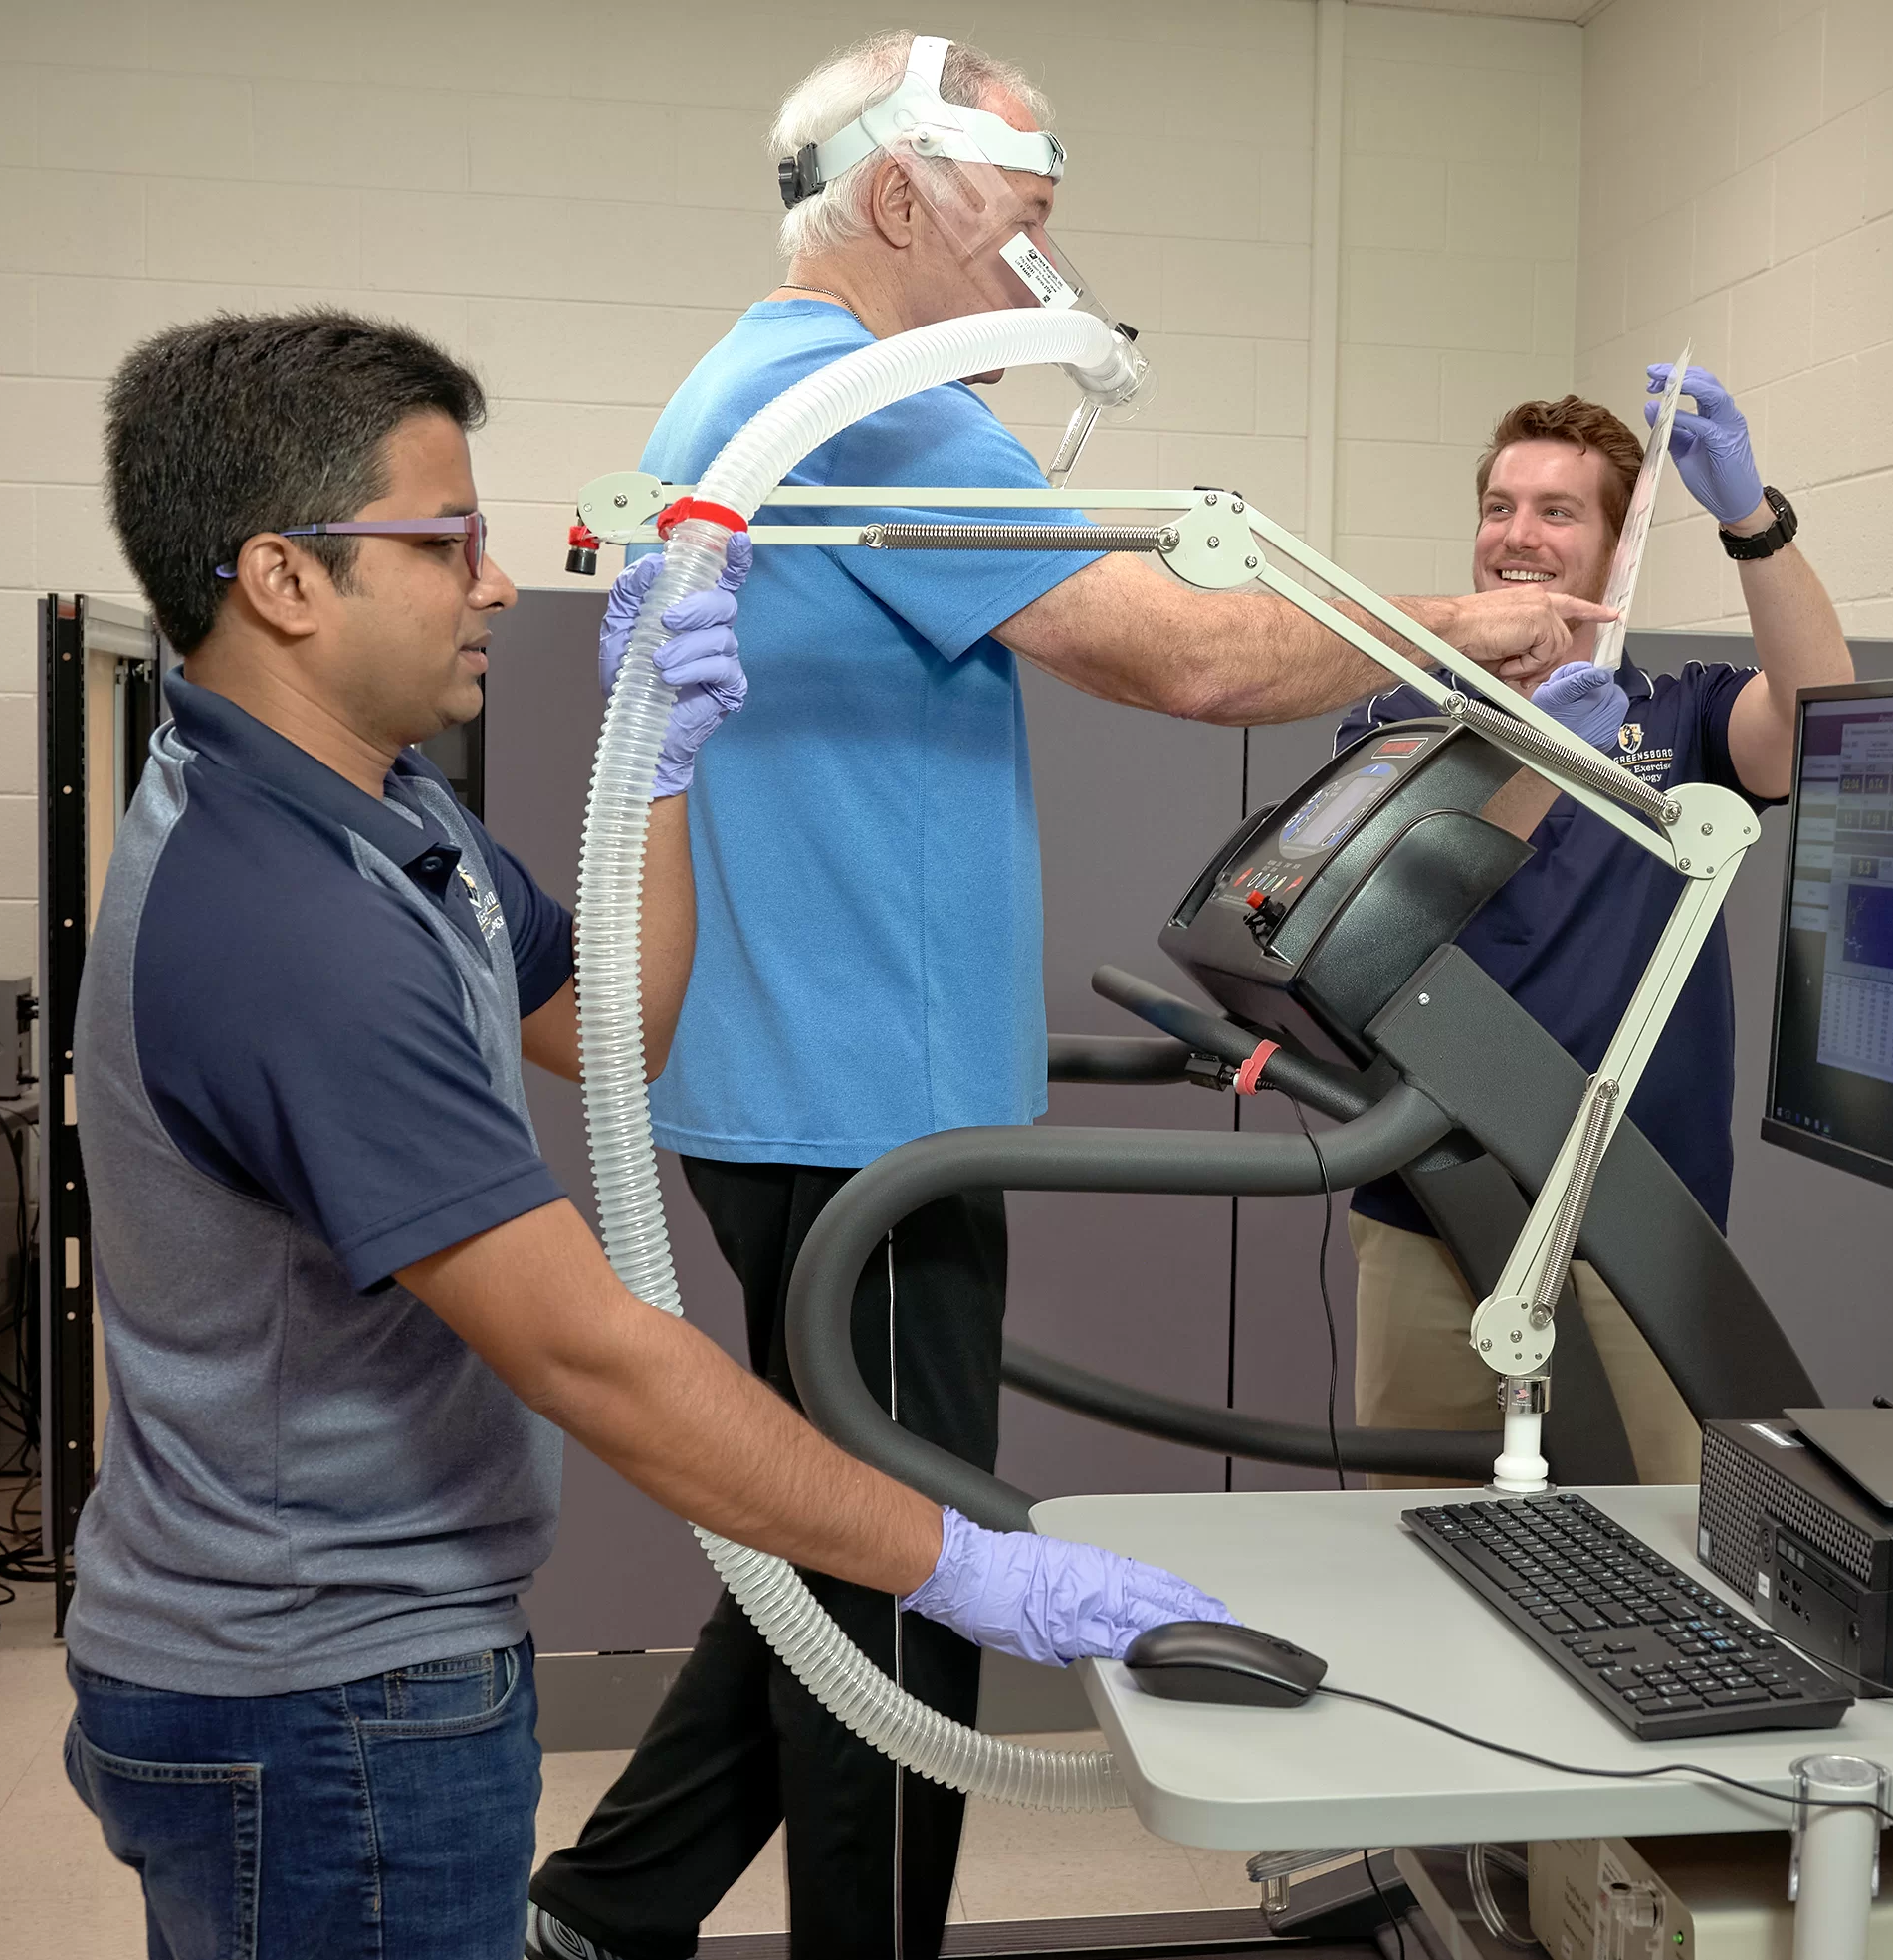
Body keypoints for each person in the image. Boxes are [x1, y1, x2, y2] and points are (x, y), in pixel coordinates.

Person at [526, 31, 1612, 1960]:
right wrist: (1467, 631)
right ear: (895, 201)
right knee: (897, 1586)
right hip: (859, 1104)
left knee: (829, 1530)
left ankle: (605, 1913)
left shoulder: (753, 379)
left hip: (804, 1084)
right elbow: (1180, 655)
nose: (1040, 275)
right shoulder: (854, 400)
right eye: (1021, 224)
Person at [63, 311, 1232, 1960]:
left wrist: (662, 763)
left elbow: (611, 1020)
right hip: (317, 1690)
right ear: (285, 577)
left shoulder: (387, 805)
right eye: (446, 537)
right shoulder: (287, 927)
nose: (491, 579)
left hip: (372, 1641)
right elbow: (596, 1353)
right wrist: (964, 1565)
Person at [1338, 381, 1855, 1489]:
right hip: (1431, 1200)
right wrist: (1533, 753)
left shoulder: (1677, 718)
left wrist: (1751, 521)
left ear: (1620, 552)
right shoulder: (1397, 717)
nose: (1517, 535)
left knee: (1649, 1544)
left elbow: (1824, 722)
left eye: (1558, 511)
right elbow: (1392, 900)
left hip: (1641, 1219)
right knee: (1408, 1539)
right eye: (1499, 505)